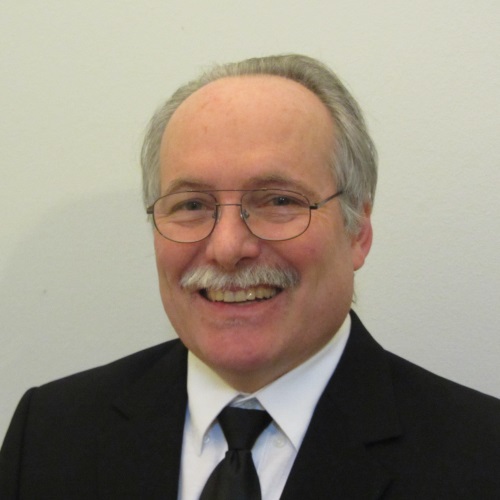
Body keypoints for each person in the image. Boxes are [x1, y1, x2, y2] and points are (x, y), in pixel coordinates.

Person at [1, 54, 499, 499]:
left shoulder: (482, 457)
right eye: (192, 205)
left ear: (358, 232)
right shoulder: (49, 435)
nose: (227, 248)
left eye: (278, 201)